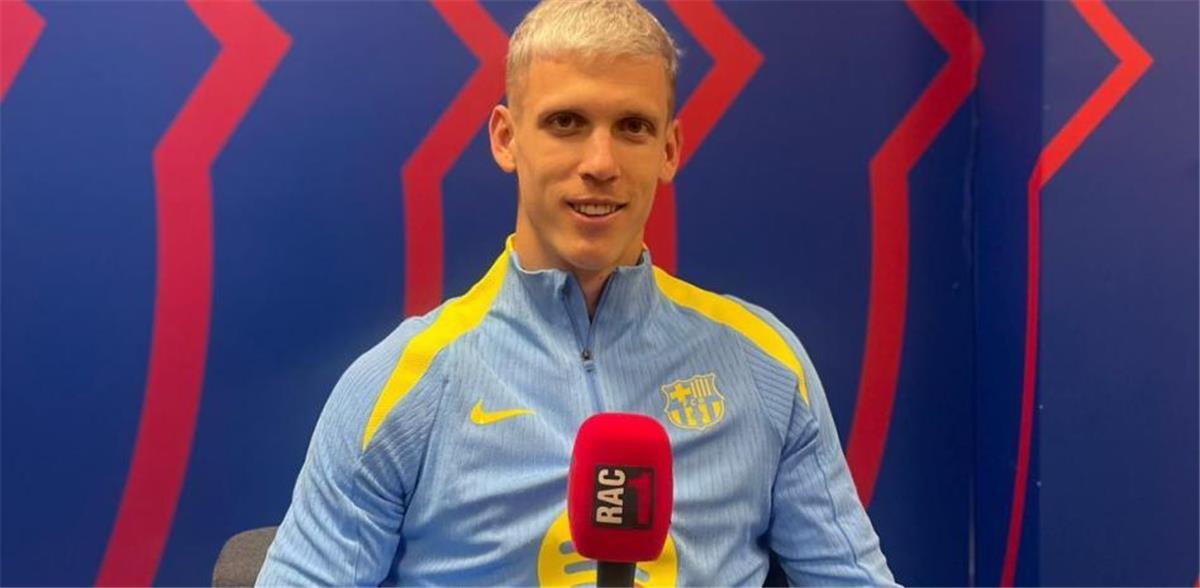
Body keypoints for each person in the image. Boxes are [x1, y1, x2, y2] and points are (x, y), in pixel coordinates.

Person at [257, 0, 895, 585]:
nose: (600, 163)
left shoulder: (766, 365)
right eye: (566, 122)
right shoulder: (400, 386)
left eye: (633, 127)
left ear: (669, 149)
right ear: (506, 138)